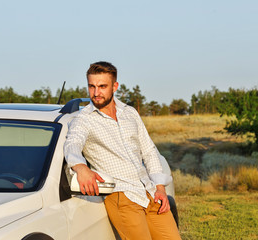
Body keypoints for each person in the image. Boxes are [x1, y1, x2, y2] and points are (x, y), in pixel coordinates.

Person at [64, 61, 181, 240]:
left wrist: (160, 188)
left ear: (115, 86)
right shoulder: (83, 120)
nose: (96, 93)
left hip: (149, 191)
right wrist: (81, 168)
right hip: (122, 197)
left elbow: (149, 150)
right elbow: (72, 144)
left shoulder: (130, 113)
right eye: (92, 86)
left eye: (102, 86)